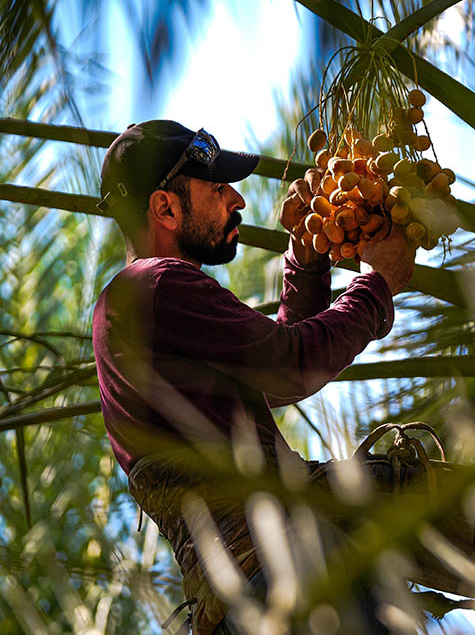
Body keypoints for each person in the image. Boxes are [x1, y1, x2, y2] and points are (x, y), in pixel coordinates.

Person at [92, 120, 411, 633]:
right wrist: (377, 286)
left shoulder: (139, 303)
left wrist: (305, 263)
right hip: (285, 568)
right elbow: (289, 367)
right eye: (218, 188)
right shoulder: (157, 285)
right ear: (165, 208)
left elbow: (266, 371)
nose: (237, 199)